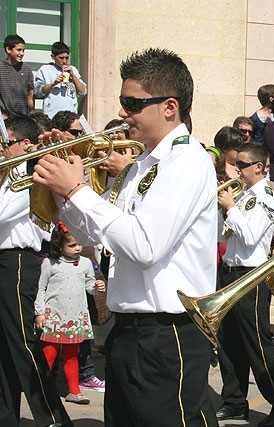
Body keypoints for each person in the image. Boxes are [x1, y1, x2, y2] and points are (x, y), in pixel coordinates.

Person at [32, 47, 219, 427]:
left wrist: (76, 191)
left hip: (168, 335)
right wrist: (61, 185)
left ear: (170, 106)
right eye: (123, 101)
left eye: (131, 103)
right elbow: (93, 234)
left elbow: (145, 246)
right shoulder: (142, 164)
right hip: (131, 332)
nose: (122, 112)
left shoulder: (186, 160)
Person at [216, 142, 274, 426]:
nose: (236, 170)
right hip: (230, 271)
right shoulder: (244, 195)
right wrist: (223, 210)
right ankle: (234, 402)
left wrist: (230, 208)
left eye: (241, 164)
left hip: (250, 277)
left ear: (260, 167)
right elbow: (225, 236)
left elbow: (251, 236)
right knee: (229, 342)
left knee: (258, 344)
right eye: (236, 164)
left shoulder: (263, 195)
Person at [0, 115, 73, 427]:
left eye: (7, 143)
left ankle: (53, 417)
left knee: (23, 343)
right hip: (5, 262)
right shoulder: (7, 174)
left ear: (25, 144)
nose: (3, 149)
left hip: (18, 262)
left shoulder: (29, 173)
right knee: (4, 346)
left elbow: (2, 213)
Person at [35, 223, 106, 405]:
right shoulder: (49, 263)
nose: (78, 248)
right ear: (59, 246)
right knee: (48, 357)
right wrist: (39, 313)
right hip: (54, 320)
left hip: (75, 320)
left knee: (71, 357)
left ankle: (74, 391)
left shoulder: (85, 263)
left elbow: (90, 286)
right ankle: (41, 391)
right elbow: (41, 289)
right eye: (72, 245)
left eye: (79, 244)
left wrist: (97, 288)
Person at [34, 41, 87, 119]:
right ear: (53, 56)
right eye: (61, 58)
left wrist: (72, 75)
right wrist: (54, 83)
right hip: (52, 115)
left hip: (71, 115)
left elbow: (83, 92)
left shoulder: (73, 69)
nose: (64, 61)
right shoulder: (45, 69)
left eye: (67, 58)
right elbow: (38, 92)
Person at [0, 35, 34, 117]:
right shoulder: (1, 67)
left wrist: (32, 114)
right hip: (4, 117)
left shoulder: (26, 69)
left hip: (22, 118)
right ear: (8, 49)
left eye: (23, 50)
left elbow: (30, 95)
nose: (21, 53)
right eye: (18, 50)